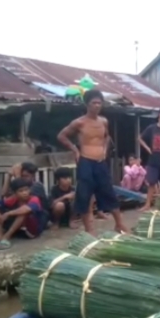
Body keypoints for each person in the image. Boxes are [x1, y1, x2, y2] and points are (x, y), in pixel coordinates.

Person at [57, 89, 129, 235]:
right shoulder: (79, 122)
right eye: (93, 103)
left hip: (100, 162)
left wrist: (104, 150)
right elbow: (62, 136)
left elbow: (107, 137)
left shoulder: (104, 121)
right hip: (85, 161)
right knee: (84, 195)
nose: (97, 106)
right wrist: (75, 150)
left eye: (99, 103)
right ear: (87, 104)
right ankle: (89, 230)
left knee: (108, 192)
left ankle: (119, 224)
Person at [0, 178, 46, 249]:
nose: (25, 193)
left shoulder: (34, 198)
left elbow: (27, 209)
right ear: (14, 193)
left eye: (26, 189)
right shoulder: (14, 199)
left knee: (23, 212)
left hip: (32, 231)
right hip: (19, 230)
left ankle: (6, 237)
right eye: (21, 191)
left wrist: (8, 213)